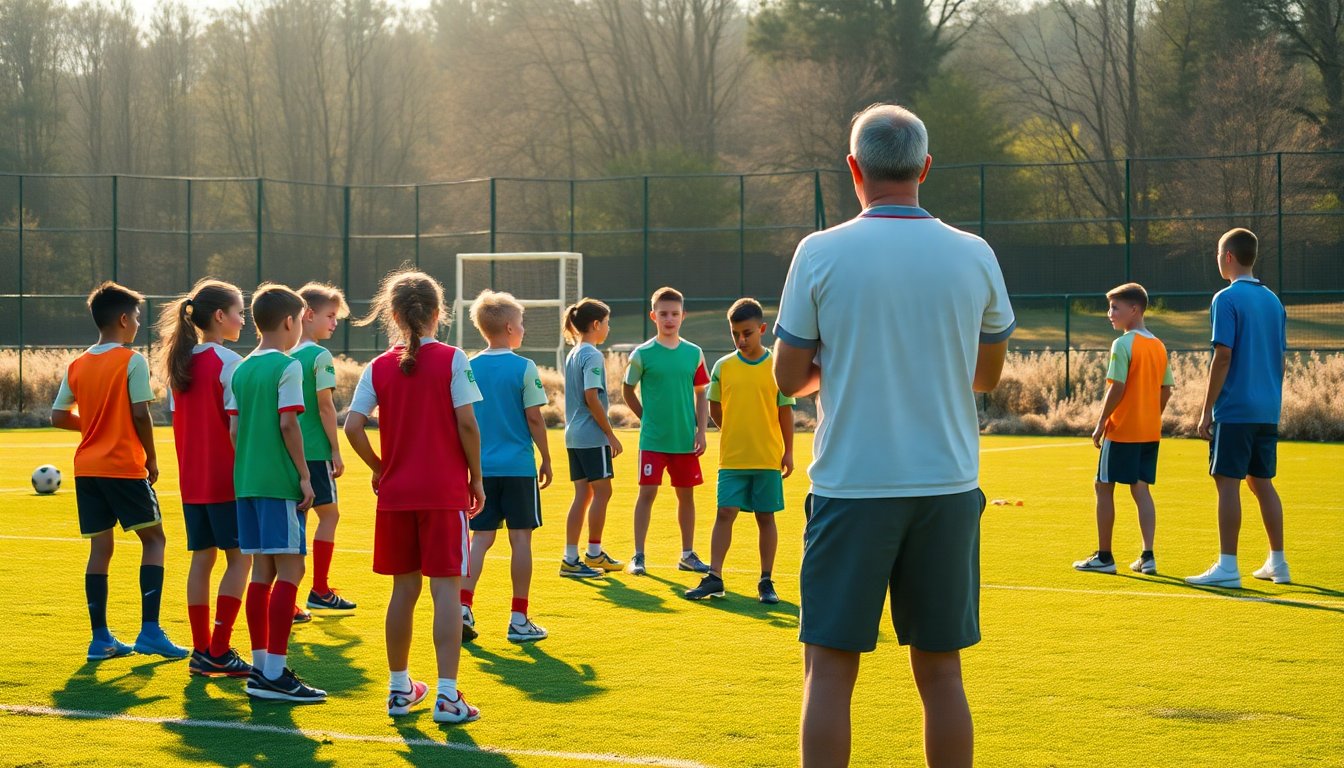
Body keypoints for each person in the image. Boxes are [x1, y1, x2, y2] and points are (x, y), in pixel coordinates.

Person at [773, 104, 1014, 768]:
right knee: (942, 676)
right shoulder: (974, 253)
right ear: (925, 169)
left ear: (853, 169)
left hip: (852, 487)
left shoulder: (819, 252)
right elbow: (983, 375)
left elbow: (788, 378)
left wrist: (844, 361)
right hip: (948, 484)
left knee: (827, 670)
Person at [344, 268, 483, 723]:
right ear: (438, 313)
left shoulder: (377, 366)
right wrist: (476, 479)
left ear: (393, 314)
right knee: (446, 590)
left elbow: (352, 426)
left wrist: (381, 468)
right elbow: (467, 423)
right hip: (443, 494)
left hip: (397, 495)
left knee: (403, 591)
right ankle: (447, 696)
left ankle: (399, 690)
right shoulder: (453, 358)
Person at [52, 282, 189, 662]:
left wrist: (95, 426)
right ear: (124, 319)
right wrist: (152, 458)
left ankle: (101, 640)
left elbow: (58, 415)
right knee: (155, 540)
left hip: (87, 469)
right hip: (123, 467)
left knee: (101, 547)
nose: (138, 324)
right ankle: (150, 633)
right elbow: (141, 413)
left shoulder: (78, 364)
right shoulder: (132, 361)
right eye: (138, 318)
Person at [226, 283, 323, 702]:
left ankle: (261, 668)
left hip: (246, 482)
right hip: (277, 483)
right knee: (292, 571)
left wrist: (251, 462)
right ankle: (276, 673)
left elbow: (233, 430)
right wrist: (304, 476)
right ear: (290, 321)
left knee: (261, 573)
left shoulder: (240, 369)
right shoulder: (289, 366)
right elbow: (289, 424)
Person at [1186, 228, 1291, 589]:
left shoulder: (1226, 298)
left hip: (1235, 408)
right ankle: (1278, 563)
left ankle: (1227, 566)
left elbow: (1223, 355)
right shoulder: (1274, 301)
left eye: (1218, 253)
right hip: (1266, 408)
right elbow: (1279, 360)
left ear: (1228, 256)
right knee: (1262, 482)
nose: (1217, 259)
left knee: (1226, 482)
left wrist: (1206, 409)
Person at [158, 278, 252, 676]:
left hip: (192, 481)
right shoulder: (230, 365)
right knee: (240, 560)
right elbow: (237, 428)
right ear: (219, 316)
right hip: (227, 481)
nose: (244, 320)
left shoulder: (178, 364)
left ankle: (202, 650)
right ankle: (219, 648)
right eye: (239, 312)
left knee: (202, 559)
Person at [685, 298, 795, 603]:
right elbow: (716, 408)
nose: (741, 339)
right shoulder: (723, 366)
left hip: (767, 458)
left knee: (765, 517)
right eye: (735, 333)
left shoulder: (776, 365)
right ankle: (715, 577)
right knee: (725, 512)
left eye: (747, 332)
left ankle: (766, 581)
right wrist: (735, 431)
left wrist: (788, 452)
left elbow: (785, 410)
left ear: (761, 329)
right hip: (732, 458)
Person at [459, 290, 551, 643]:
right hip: (517, 469)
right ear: (510, 327)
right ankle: (518, 617)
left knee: (480, 539)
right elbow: (535, 418)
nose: (524, 329)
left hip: (481, 470)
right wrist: (546, 457)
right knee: (520, 540)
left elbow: (462, 419)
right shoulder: (524, 367)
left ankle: (464, 607)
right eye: (523, 323)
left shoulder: (468, 365)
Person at [1072, 283, 1174, 576]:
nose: (1110, 314)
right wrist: (1151, 415)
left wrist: (1101, 422)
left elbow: (1116, 387)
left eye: (1115, 308)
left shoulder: (1123, 344)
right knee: (1141, 490)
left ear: (1135, 309)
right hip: (1149, 432)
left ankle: (1105, 557)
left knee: (1103, 486)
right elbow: (1166, 389)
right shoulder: (1158, 345)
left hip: (1123, 431)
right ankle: (1148, 556)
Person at [622, 287, 711, 576]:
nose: (669, 319)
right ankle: (638, 555)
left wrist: (701, 431)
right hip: (653, 441)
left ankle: (687, 554)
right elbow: (627, 389)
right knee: (646, 494)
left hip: (685, 440)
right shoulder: (642, 354)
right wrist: (645, 417)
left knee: (686, 497)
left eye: (674, 314)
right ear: (653, 316)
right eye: (663, 314)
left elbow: (701, 395)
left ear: (683, 316)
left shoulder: (694, 353)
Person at [293, 282, 356, 613]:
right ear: (308, 314)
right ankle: (318, 590)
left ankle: (290, 598)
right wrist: (335, 449)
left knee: (294, 520)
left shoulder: (283, 353)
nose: (334, 323)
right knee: (328, 515)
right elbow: (326, 406)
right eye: (330, 316)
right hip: (314, 452)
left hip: (285, 452)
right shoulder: (318, 355)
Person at [560, 298, 623, 578]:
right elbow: (591, 397)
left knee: (582, 494)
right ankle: (594, 553)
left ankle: (570, 557)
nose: (609, 328)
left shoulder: (573, 353)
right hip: (590, 435)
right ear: (596, 325)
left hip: (573, 435)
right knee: (603, 492)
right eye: (607, 323)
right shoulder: (593, 355)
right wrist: (610, 434)